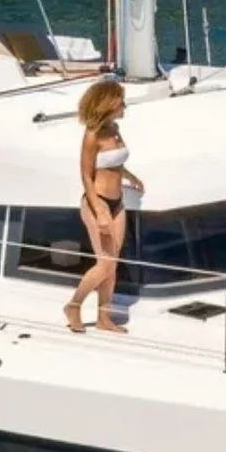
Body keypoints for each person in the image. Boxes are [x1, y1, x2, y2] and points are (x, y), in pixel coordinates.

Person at [68, 78, 143, 333]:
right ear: (109, 103)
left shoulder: (114, 128)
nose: (125, 106)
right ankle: (74, 305)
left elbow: (114, 163)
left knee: (112, 264)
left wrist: (130, 177)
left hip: (117, 203)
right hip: (97, 202)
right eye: (121, 101)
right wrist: (98, 208)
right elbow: (86, 175)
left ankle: (104, 318)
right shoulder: (92, 135)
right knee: (105, 264)